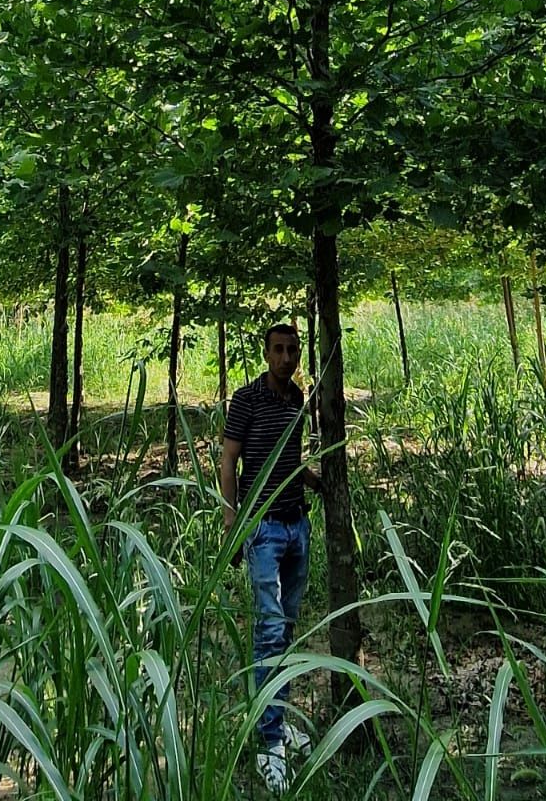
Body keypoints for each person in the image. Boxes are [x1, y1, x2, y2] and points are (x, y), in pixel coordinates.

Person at [220, 323, 322, 794]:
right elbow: (229, 461)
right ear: (265, 354)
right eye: (278, 350)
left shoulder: (297, 399)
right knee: (268, 630)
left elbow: (288, 459)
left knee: (289, 626)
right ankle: (269, 742)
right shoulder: (246, 400)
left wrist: (313, 479)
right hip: (261, 529)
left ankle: (278, 720)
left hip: (295, 524)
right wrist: (232, 521)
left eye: (292, 350)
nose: (285, 358)